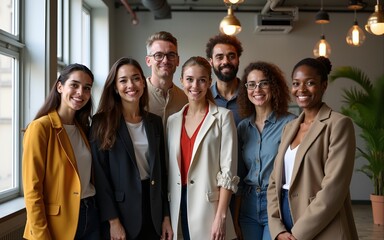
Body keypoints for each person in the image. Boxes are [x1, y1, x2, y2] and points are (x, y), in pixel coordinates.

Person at [267, 57, 358, 240]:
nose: (301, 90)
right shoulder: (289, 128)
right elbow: (274, 181)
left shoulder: (338, 124)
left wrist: (298, 233)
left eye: (310, 83)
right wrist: (277, 227)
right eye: (296, 83)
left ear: (324, 85)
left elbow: (334, 188)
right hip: (285, 218)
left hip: (321, 221)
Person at [90, 57, 173, 240]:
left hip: (153, 210)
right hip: (121, 212)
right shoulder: (101, 123)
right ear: (114, 87)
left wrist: (166, 217)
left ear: (143, 82)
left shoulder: (155, 123)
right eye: (123, 80)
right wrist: (113, 221)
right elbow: (100, 177)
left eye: (136, 78)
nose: (131, 85)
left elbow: (162, 173)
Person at [22, 64, 99, 239]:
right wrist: (41, 235)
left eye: (87, 88)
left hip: (91, 214)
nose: (81, 92)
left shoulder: (83, 129)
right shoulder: (41, 128)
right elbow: (32, 190)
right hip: (58, 222)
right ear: (59, 86)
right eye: (75, 85)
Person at [167, 56, 239, 240]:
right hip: (177, 205)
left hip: (209, 209)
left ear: (209, 82)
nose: (195, 86)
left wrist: (221, 216)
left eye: (202, 80)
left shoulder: (223, 117)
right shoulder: (172, 121)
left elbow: (228, 173)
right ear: (181, 80)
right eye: (189, 79)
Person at [234, 61, 296, 240]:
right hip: (248, 205)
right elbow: (239, 176)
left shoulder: (290, 124)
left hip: (277, 205)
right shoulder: (243, 127)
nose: (257, 89)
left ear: (273, 86)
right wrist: (236, 219)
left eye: (264, 83)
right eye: (251, 84)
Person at [145, 31, 188, 126]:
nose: (165, 60)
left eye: (171, 55)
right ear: (148, 61)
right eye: (158, 55)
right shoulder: (137, 96)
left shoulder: (186, 100)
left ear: (178, 60)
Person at [205, 33, 244, 126]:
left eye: (231, 56)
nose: (225, 61)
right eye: (219, 57)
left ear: (238, 59)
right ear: (211, 62)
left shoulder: (252, 95)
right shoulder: (204, 98)